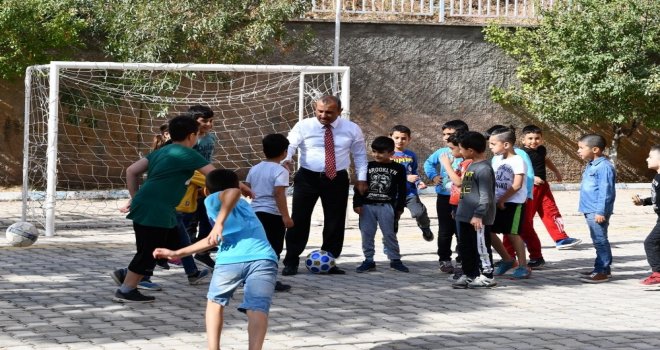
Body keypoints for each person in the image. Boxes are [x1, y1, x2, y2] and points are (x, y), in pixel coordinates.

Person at [154, 169, 278, 350]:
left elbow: (233, 192)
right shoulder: (242, 204)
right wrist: (177, 253)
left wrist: (218, 223)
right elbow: (211, 239)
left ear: (205, 191)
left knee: (214, 303)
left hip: (230, 261)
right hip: (264, 259)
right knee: (257, 308)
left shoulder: (211, 199)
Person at [111, 115, 214, 303]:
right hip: (157, 209)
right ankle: (126, 290)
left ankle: (126, 273)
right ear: (192, 135)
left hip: (149, 205)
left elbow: (131, 171)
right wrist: (239, 186)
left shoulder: (161, 151)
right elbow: (215, 176)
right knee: (148, 251)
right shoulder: (188, 153)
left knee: (167, 246)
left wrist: (136, 198)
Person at [281, 95, 368, 276]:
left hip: (336, 178)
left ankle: (330, 259)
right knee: (300, 219)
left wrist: (361, 178)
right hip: (307, 178)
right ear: (315, 108)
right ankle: (291, 260)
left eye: (329, 112)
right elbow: (291, 144)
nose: (323, 115)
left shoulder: (352, 129)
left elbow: (360, 155)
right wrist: (287, 159)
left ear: (339, 111)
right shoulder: (304, 125)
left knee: (335, 220)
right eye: (320, 111)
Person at [514, 125, 582, 269]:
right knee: (527, 216)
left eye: (537, 138)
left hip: (544, 187)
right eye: (530, 138)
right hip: (531, 187)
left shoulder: (541, 150)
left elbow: (546, 160)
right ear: (523, 139)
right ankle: (525, 240)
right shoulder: (520, 153)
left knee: (551, 210)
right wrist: (532, 178)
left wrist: (556, 172)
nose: (534, 141)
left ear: (542, 139)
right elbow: (519, 169)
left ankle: (561, 238)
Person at [246, 133, 294, 292]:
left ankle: (252, 278)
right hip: (272, 215)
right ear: (285, 152)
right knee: (273, 248)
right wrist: (286, 216)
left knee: (257, 247)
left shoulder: (255, 168)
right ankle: (268, 280)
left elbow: (248, 189)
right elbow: (279, 193)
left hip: (255, 212)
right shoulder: (281, 171)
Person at [353, 136, 409, 273]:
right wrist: (357, 203)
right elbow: (359, 186)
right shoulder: (367, 166)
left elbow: (402, 190)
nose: (376, 155)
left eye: (381, 152)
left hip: (386, 207)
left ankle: (395, 260)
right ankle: (368, 260)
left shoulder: (399, 168)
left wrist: (400, 207)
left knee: (389, 234)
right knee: (367, 234)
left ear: (391, 153)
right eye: (374, 151)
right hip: (367, 206)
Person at [451, 131, 497, 289]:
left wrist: (478, 215)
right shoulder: (472, 166)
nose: (460, 151)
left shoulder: (484, 169)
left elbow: (486, 197)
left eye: (461, 148)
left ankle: (487, 276)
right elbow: (467, 190)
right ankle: (470, 274)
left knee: (481, 247)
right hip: (464, 216)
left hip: (477, 219)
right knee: (465, 247)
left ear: (470, 150)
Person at [423, 119, 469, 274]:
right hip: (444, 196)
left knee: (461, 230)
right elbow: (428, 164)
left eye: (449, 134)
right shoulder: (441, 153)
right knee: (445, 229)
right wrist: (434, 177)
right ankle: (444, 259)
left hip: (463, 198)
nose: (445, 137)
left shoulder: (467, 154)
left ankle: (463, 257)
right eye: (444, 134)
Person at [488, 127, 531, 279]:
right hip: (497, 202)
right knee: (490, 232)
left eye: (493, 144)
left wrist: (503, 199)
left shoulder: (518, 160)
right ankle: (507, 259)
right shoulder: (497, 160)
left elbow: (517, 184)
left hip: (513, 203)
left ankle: (523, 266)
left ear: (506, 144)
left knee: (513, 233)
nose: (490, 147)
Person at [577, 134, 616, 283]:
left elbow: (606, 191)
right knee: (597, 240)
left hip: (597, 210)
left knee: (600, 240)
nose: (578, 151)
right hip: (589, 208)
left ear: (595, 149)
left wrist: (601, 211)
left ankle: (603, 271)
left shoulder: (604, 167)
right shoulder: (592, 164)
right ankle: (599, 268)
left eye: (581, 148)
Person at [184, 104, 218, 269]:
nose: (209, 124)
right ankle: (185, 252)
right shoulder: (190, 139)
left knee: (209, 217)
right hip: (191, 182)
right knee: (190, 219)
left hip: (206, 182)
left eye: (211, 121)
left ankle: (203, 251)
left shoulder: (211, 138)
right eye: (204, 121)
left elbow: (208, 161)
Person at [389, 125, 434, 241]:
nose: (400, 141)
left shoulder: (411, 155)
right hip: (392, 194)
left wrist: (419, 182)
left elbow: (413, 172)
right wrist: (405, 178)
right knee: (392, 219)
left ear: (409, 139)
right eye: (397, 137)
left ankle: (425, 228)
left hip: (409, 193)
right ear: (390, 137)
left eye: (403, 138)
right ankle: (390, 245)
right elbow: (387, 174)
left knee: (419, 213)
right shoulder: (387, 155)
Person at [440, 131, 470, 281]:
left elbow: (459, 183)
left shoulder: (469, 164)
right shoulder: (463, 163)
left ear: (461, 147)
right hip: (457, 205)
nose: (450, 152)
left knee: (464, 239)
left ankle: (468, 268)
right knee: (462, 238)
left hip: (465, 206)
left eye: (452, 149)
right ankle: (466, 268)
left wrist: (447, 166)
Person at [632, 145, 660, 286]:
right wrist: (644, 201)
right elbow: (657, 197)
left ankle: (658, 274)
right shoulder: (657, 177)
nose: (646, 158)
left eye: (650, 156)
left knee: (650, 243)